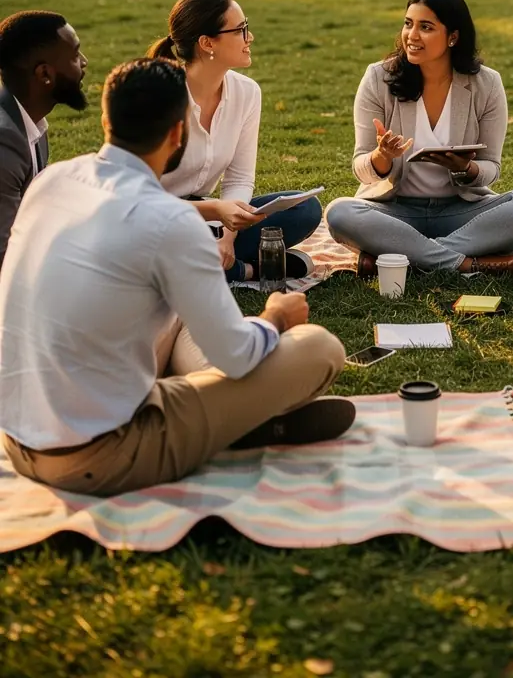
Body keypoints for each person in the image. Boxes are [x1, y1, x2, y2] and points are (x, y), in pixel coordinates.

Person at [0, 58, 352, 497]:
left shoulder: (54, 181)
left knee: (180, 314)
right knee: (320, 347)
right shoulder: (169, 223)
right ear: (177, 133)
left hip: (18, 439)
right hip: (101, 454)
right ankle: (241, 420)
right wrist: (276, 316)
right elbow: (237, 356)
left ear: (107, 119)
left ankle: (233, 413)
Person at [326, 0, 513, 275]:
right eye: (408, 24)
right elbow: (361, 168)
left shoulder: (486, 84)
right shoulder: (378, 78)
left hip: (460, 211)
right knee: (339, 212)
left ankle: (405, 258)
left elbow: (492, 168)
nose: (412, 35)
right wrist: (381, 157)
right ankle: (467, 264)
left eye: (426, 27)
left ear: (453, 37)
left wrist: (467, 169)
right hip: (394, 212)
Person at [148, 0, 322, 282]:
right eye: (241, 30)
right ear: (207, 43)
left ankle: (213, 260)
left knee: (303, 208)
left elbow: (240, 179)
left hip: (210, 225)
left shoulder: (247, 92)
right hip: (153, 221)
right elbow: (137, 201)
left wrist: (228, 237)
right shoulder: (157, 96)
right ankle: (246, 270)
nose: (250, 37)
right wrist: (216, 209)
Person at [0, 11, 87, 269]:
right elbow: (5, 255)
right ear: (45, 74)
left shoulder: (29, 121)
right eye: (75, 55)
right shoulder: (5, 143)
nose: (84, 62)